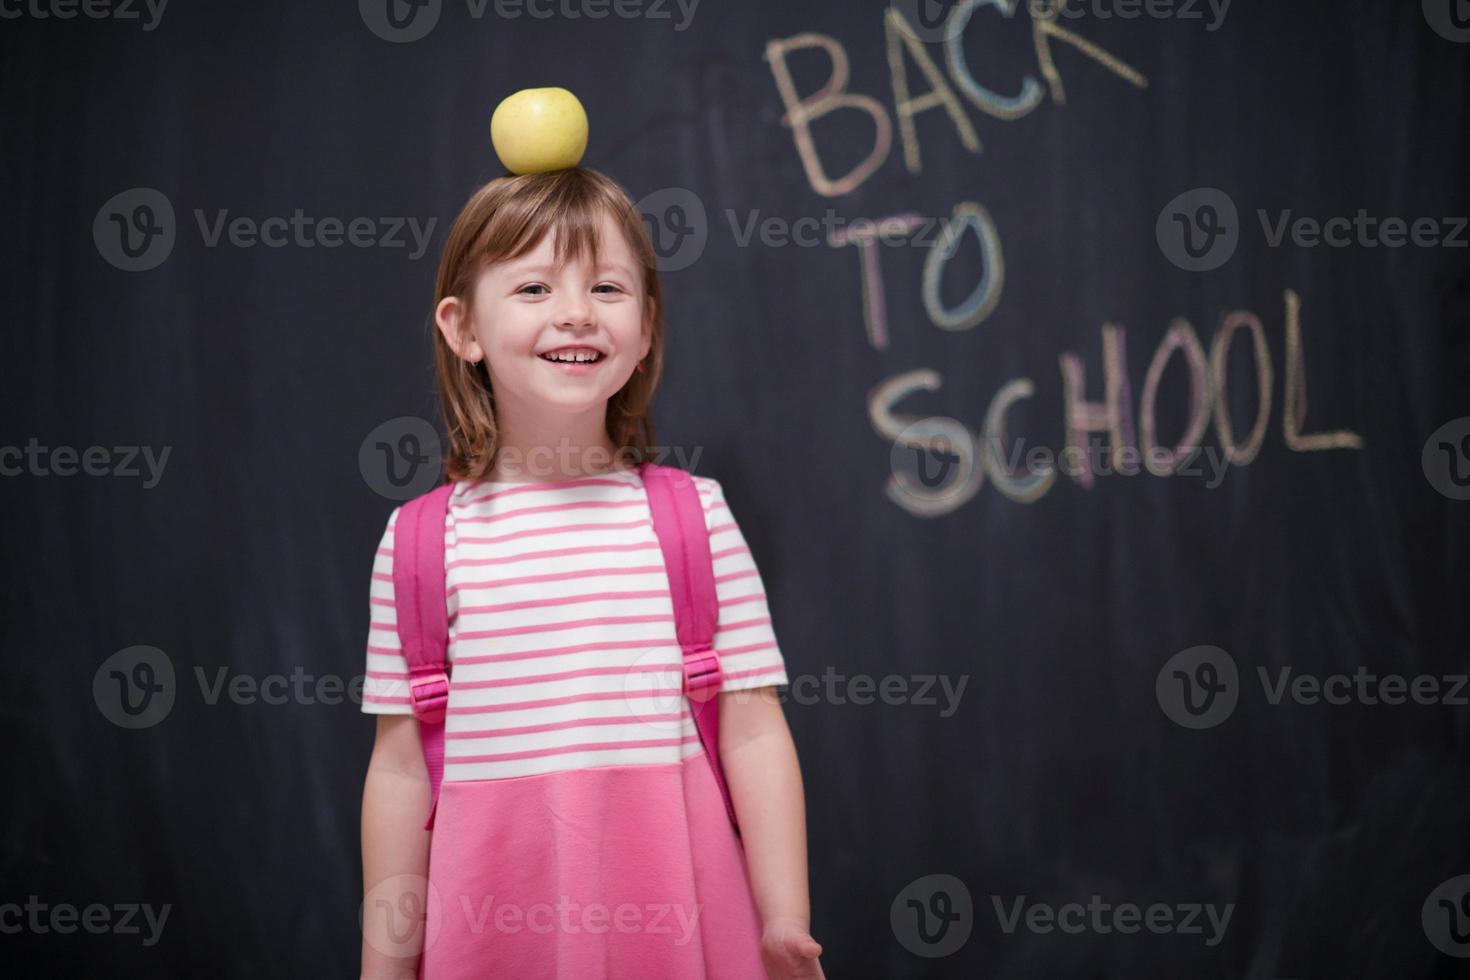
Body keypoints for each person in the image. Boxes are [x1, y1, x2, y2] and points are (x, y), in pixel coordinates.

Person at [358, 166, 824, 980]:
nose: (575, 312)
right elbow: (399, 772)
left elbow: (753, 729)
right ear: (461, 327)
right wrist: (382, 967)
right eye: (534, 286)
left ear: (644, 326)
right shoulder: (421, 543)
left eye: (606, 286)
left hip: (676, 902)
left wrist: (784, 915)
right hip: (494, 915)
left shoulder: (693, 519)